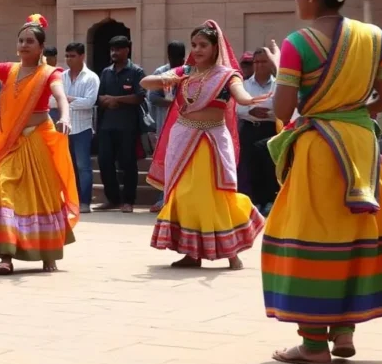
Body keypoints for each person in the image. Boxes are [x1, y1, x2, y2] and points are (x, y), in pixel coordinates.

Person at [261, 0, 382, 364]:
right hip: (362, 148)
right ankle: (344, 332)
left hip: (320, 150)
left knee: (311, 237)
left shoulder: (298, 43)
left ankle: (314, 345)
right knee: (355, 235)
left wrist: (287, 79)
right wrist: (356, 113)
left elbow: (283, 109)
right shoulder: (373, 36)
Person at [142, 21, 266, 270]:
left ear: (215, 48)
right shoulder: (186, 72)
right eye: (194, 45)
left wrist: (250, 99)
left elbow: (240, 95)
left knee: (215, 194)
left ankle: (232, 253)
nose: (197, 49)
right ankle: (192, 253)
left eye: (203, 45)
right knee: (185, 194)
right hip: (184, 139)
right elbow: (146, 82)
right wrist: (169, 78)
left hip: (211, 142)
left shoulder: (227, 75)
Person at [0, 14, 79, 274]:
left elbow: (59, 96)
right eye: (21, 41)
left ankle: (49, 254)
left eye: (30, 41)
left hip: (38, 138)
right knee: (3, 188)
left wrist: (66, 116)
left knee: (42, 196)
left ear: (40, 47)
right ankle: (5, 256)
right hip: (12, 142)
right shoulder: (8, 70)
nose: (24, 45)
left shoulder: (50, 73)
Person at [96, 35, 145, 213]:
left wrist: (116, 99)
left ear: (127, 50)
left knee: (128, 163)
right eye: (112, 50)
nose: (114, 53)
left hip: (128, 127)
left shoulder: (136, 72)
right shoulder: (106, 72)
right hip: (107, 126)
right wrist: (108, 101)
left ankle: (128, 201)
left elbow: (139, 96)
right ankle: (113, 199)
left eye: (118, 49)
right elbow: (99, 97)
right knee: (104, 161)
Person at [237, 48, 279, 216]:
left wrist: (271, 113)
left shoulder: (278, 84)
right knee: (250, 165)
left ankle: (270, 200)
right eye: (257, 62)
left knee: (270, 166)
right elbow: (237, 107)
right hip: (250, 128)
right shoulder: (244, 85)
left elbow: (285, 105)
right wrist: (250, 111)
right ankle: (255, 201)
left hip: (271, 129)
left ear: (271, 63)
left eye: (264, 62)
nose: (260, 66)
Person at [147, 41, 186, 212]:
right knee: (164, 162)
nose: (174, 60)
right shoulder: (162, 73)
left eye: (178, 57)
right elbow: (153, 97)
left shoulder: (188, 72)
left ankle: (180, 199)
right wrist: (170, 103)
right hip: (164, 127)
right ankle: (162, 198)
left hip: (186, 126)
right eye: (172, 56)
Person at [61, 42, 99, 215]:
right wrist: (73, 100)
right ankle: (70, 201)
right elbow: (53, 101)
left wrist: (67, 99)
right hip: (64, 127)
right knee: (67, 166)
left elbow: (89, 102)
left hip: (82, 128)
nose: (69, 59)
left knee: (83, 166)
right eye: (67, 56)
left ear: (82, 56)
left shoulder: (91, 77)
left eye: (72, 56)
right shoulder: (61, 77)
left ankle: (84, 202)